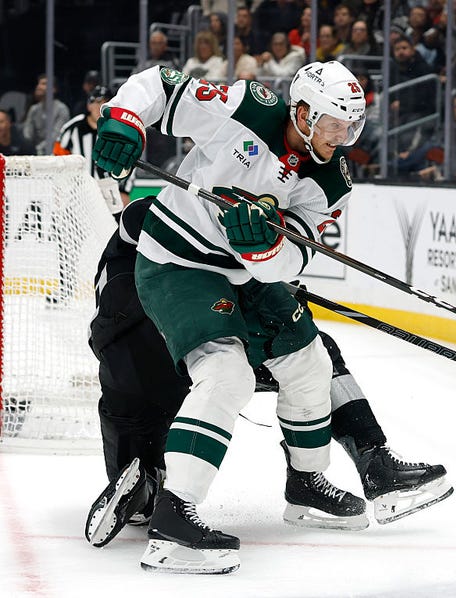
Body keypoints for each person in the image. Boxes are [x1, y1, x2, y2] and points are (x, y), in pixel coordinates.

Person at [90, 61, 397, 574]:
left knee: (310, 363)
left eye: (350, 127)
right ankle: (173, 516)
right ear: (301, 114)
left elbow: (296, 257)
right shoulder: (247, 108)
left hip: (246, 276)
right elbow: (160, 86)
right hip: (177, 261)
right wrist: (124, 118)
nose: (341, 138)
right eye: (332, 126)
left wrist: (267, 247)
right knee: (225, 372)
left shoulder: (331, 182)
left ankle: (307, 486)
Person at [84, 197, 452, 549]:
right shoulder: (152, 249)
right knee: (144, 459)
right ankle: (153, 488)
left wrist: (271, 291)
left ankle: (369, 460)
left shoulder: (217, 236)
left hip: (181, 349)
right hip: (145, 357)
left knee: (315, 354)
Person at [53, 86, 133, 219]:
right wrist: (61, 187)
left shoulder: (121, 129)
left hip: (112, 192)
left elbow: (130, 161)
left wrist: (124, 190)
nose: (100, 107)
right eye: (96, 102)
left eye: (105, 103)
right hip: (78, 193)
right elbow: (58, 159)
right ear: (88, 106)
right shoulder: (73, 128)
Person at [22, 74, 70, 155]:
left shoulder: (61, 109)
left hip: (54, 154)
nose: (39, 87)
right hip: (34, 154)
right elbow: (27, 134)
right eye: (39, 83)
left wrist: (39, 149)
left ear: (54, 89)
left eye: (43, 84)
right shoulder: (34, 109)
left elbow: (57, 136)